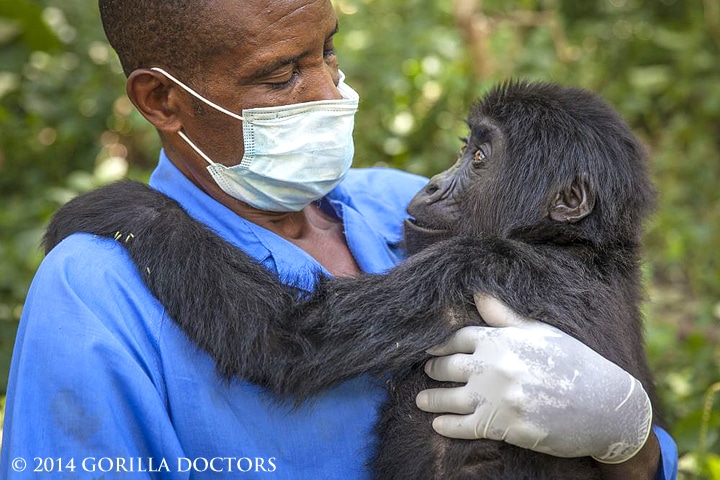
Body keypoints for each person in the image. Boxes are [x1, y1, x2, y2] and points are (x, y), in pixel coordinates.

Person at [1, 1, 677, 478]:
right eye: (280, 75)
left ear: (565, 203)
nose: (329, 95)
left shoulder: (410, 214)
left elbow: (295, 340)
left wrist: (633, 445)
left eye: (328, 51)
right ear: (161, 101)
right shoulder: (92, 297)